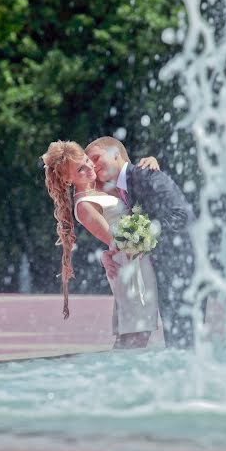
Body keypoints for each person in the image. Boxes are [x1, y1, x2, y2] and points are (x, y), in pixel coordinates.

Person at [42, 140, 160, 349]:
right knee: (135, 333)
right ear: (67, 179)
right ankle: (117, 376)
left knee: (138, 331)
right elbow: (115, 240)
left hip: (135, 260)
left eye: (87, 160)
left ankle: (119, 376)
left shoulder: (99, 184)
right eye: (80, 169)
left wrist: (149, 164)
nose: (90, 168)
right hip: (127, 265)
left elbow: (129, 182)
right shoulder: (84, 205)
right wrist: (108, 254)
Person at [85, 136, 196, 350]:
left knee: (184, 340)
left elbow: (181, 215)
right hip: (160, 272)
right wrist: (110, 251)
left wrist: (143, 236)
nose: (94, 166)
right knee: (175, 343)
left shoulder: (145, 174)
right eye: (90, 163)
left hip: (181, 268)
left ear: (116, 153)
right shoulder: (121, 188)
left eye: (97, 158)